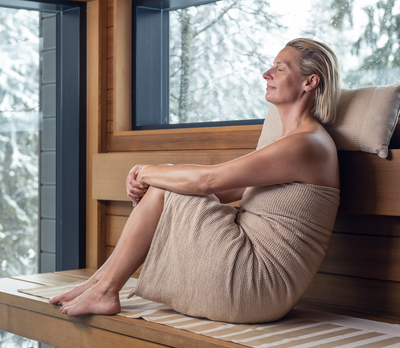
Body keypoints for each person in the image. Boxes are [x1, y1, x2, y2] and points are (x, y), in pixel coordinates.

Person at [50, 38, 341, 323]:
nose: (267, 74)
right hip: (256, 285)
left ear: (309, 82)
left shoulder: (306, 145)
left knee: (166, 184)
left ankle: (104, 289)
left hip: (257, 284)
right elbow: (228, 190)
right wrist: (152, 174)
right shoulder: (288, 143)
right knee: (168, 182)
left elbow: (208, 183)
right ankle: (99, 283)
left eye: (280, 68)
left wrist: (146, 173)